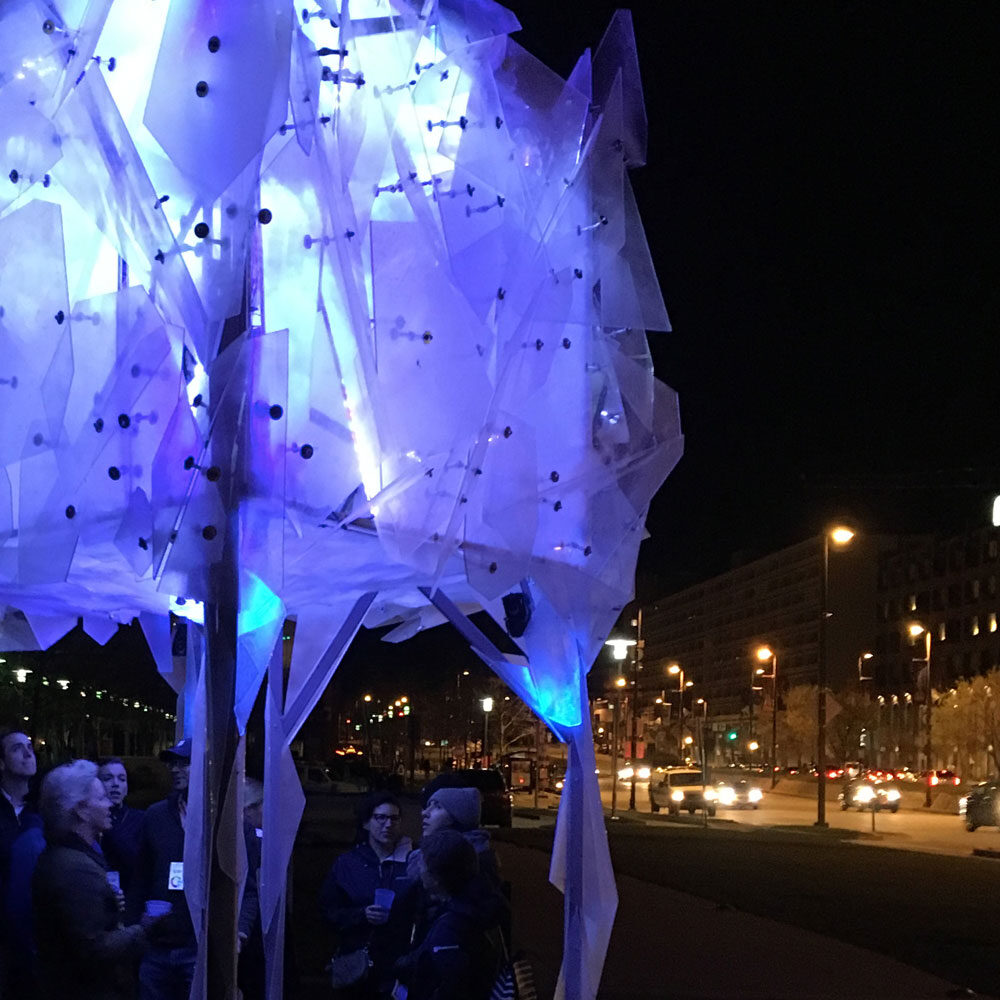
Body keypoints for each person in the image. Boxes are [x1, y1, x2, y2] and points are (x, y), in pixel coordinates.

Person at [32, 759, 158, 999]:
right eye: (100, 798)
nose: (109, 804)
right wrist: (143, 929)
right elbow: (95, 948)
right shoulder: (75, 868)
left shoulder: (71, 857)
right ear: (80, 809)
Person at [319, 793, 418, 998]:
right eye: (380, 818)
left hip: (399, 966)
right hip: (358, 965)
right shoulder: (348, 864)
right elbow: (329, 912)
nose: (388, 825)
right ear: (366, 823)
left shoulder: (413, 863)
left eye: (394, 818)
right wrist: (362, 915)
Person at [392, 830, 502, 1000]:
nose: (419, 869)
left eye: (422, 863)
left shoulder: (451, 927)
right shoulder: (473, 908)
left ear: (435, 876)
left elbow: (450, 985)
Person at [126, 738, 196, 1000]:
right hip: (157, 946)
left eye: (184, 763)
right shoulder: (156, 816)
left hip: (197, 946)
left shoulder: (219, 817)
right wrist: (134, 927)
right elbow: (141, 876)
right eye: (172, 764)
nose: (176, 769)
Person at [98, 757, 145, 894]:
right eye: (108, 778)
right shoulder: (88, 819)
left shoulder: (140, 819)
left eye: (122, 779)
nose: (115, 784)